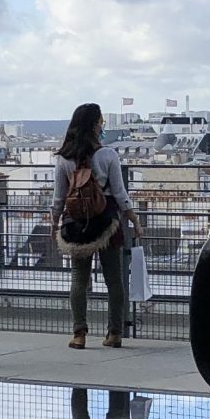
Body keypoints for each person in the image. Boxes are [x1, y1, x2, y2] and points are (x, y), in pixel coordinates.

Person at [52, 102, 138, 349]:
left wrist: (54, 222)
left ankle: (79, 333)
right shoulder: (108, 155)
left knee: (79, 279)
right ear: (94, 125)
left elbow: (58, 198)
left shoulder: (64, 159)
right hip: (108, 221)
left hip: (77, 222)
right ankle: (115, 333)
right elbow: (120, 194)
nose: (103, 125)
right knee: (114, 280)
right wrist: (133, 218)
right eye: (101, 121)